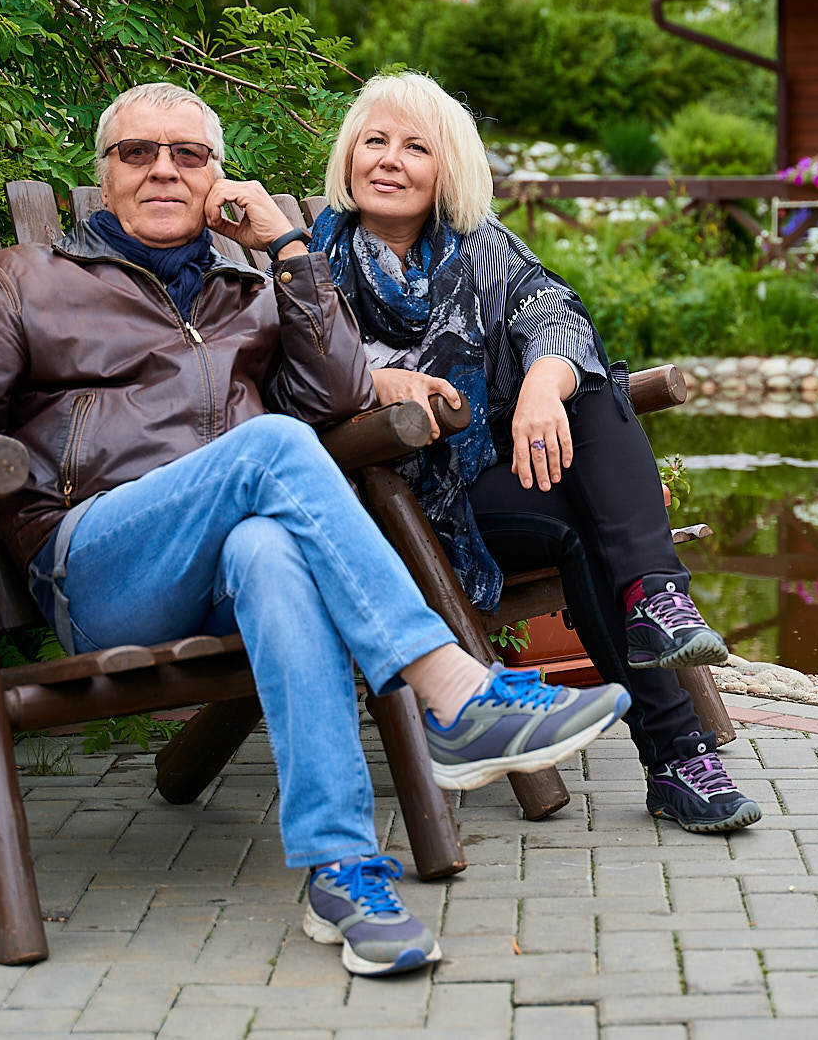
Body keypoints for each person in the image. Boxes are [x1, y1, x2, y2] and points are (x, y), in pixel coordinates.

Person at [0, 81, 630, 978]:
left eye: (187, 155)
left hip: (224, 571)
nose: (163, 169)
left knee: (270, 547)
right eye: (138, 152)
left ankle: (341, 872)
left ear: (216, 178)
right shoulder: (29, 282)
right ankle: (453, 688)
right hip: (98, 563)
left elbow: (339, 397)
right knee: (269, 445)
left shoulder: (246, 290)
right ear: (102, 173)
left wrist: (291, 250)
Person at [306, 72, 762, 835]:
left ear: (446, 169)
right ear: (349, 156)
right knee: (588, 482)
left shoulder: (480, 247)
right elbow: (290, 372)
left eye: (415, 146)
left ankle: (658, 629)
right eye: (374, 141)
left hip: (478, 484)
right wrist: (373, 379)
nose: (388, 159)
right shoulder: (312, 264)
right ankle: (678, 741)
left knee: (586, 392)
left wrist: (543, 386)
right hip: (388, 504)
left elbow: (552, 308)